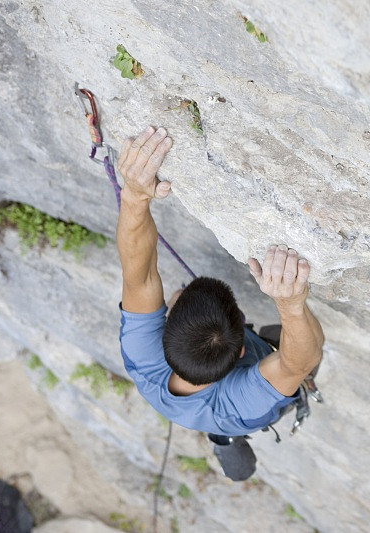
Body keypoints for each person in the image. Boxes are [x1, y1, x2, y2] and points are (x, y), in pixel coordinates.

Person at [115, 126, 324, 480]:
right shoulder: (243, 402)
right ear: (241, 351)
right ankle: (226, 437)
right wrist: (290, 304)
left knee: (215, 413)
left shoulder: (142, 354)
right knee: (294, 351)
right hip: (238, 413)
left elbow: (139, 274)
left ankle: (220, 436)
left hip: (189, 403)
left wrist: (134, 195)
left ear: (166, 328)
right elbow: (300, 363)